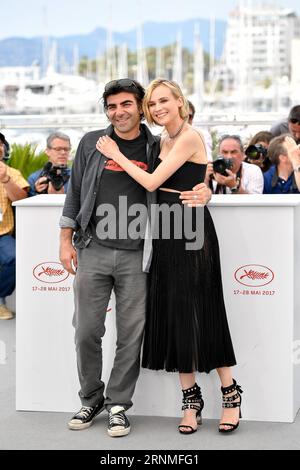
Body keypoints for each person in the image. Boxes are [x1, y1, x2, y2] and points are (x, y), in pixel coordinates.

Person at [59, 78, 211, 437]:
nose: (118, 112)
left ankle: (117, 405)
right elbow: (75, 192)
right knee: (85, 331)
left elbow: (182, 178)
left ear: (140, 107)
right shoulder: (91, 144)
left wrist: (206, 191)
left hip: (138, 256)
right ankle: (90, 397)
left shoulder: (155, 146)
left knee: (131, 336)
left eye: (126, 104)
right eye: (111, 106)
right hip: (92, 249)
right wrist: (65, 239)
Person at [97, 78, 242, 435]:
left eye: (164, 101)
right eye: (153, 104)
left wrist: (115, 154)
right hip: (165, 228)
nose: (158, 108)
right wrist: (206, 185)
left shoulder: (190, 135)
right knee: (177, 314)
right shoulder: (163, 139)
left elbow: (151, 182)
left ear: (180, 101)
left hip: (190, 228)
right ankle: (190, 400)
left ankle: (231, 395)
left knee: (204, 311)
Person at [0, 132, 29, 320]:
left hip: (3, 234)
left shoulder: (12, 174)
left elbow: (22, 200)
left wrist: (5, 180)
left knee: (18, 258)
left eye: (1, 144)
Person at [28, 132, 71, 197]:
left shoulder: (78, 177)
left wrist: (63, 197)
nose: (63, 152)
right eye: (58, 149)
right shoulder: (35, 178)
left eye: (66, 149)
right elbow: (29, 205)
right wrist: (37, 192)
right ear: (47, 151)